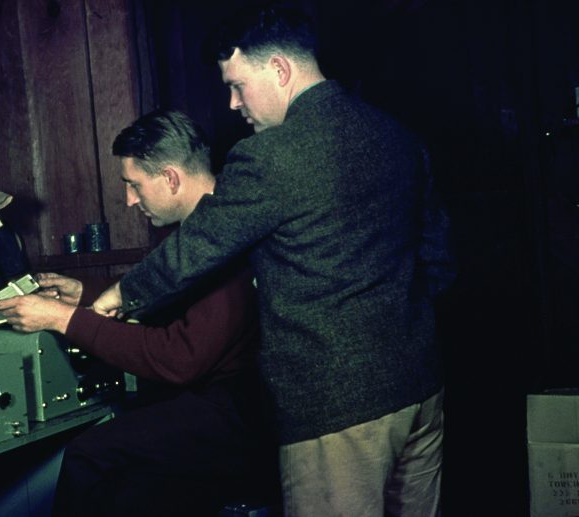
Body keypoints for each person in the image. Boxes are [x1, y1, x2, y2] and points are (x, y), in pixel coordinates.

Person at [90, 6, 456, 517]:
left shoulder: (271, 155)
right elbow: (437, 261)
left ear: (280, 70)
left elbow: (199, 245)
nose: (234, 103)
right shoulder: (397, 136)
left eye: (238, 85)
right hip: (421, 389)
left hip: (336, 408)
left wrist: (122, 294)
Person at [0, 110, 278, 517]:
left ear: (171, 178)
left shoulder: (218, 242)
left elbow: (179, 360)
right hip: (224, 402)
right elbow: (173, 297)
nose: (129, 200)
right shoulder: (206, 229)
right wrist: (86, 295)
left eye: (134, 185)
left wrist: (62, 319)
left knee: (90, 457)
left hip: (240, 415)